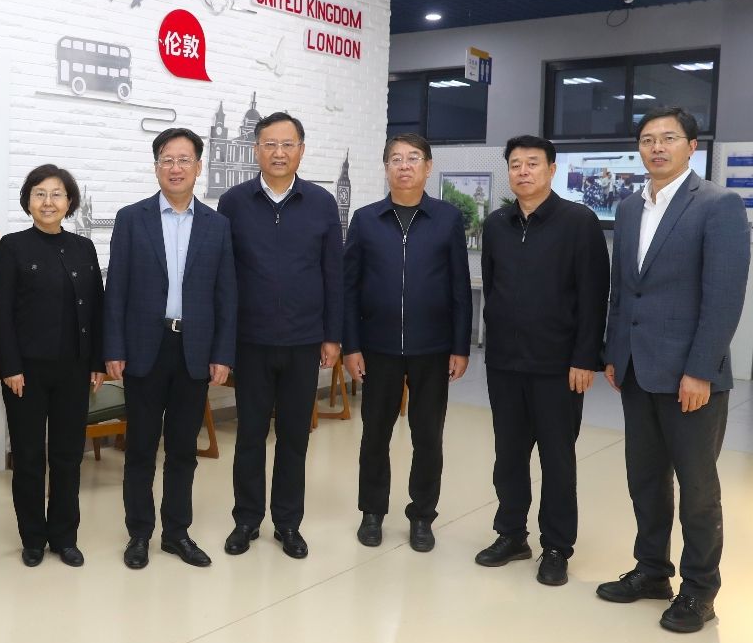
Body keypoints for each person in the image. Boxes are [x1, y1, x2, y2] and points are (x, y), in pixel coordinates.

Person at [598, 106, 750, 633]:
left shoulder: (717, 204)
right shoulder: (629, 207)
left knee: (698, 488)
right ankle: (652, 571)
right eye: (647, 139)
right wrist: (614, 352)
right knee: (645, 479)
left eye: (668, 138)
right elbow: (623, 289)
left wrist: (701, 370)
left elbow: (724, 296)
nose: (657, 147)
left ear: (691, 146)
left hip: (691, 376)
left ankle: (699, 591)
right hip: (636, 369)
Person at [474, 135, 609, 586]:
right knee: (508, 456)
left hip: (559, 367)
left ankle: (556, 547)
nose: (523, 171)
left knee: (557, 460)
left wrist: (585, 358)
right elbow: (492, 287)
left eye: (533, 163)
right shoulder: (497, 224)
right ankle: (512, 535)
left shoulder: (579, 222)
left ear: (552, 170)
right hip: (505, 364)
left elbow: (594, 295)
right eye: (515, 164)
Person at [104, 127, 237, 570]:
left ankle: (176, 533)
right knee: (141, 448)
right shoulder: (132, 218)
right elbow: (116, 288)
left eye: (184, 160)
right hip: (145, 347)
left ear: (198, 167)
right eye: (167, 159)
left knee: (183, 449)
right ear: (156, 166)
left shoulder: (217, 226)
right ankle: (139, 533)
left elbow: (226, 294)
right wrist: (113, 347)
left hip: (194, 350)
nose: (175, 168)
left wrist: (222, 354)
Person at [218, 112, 342, 560]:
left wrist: (332, 335)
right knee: (249, 435)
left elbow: (333, 273)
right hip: (250, 341)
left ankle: (288, 523)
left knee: (294, 437)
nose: (278, 152)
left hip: (304, 340)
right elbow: (223, 276)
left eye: (288, 144)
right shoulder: (233, 202)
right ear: (256, 149)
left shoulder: (322, 203)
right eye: (270, 144)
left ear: (301, 150)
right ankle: (246, 520)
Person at [343, 133, 471, 552]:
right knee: (374, 434)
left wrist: (460, 346)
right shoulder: (366, 219)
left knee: (428, 436)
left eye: (413, 158)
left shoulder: (447, 219)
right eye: (396, 159)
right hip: (377, 347)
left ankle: (422, 516)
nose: (404, 166)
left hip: (432, 347)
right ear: (386, 168)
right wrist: (351, 345)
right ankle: (372, 512)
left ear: (428, 167)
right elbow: (349, 287)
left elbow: (459, 287)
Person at [0, 164, 104, 568]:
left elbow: (97, 307)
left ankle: (64, 536)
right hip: (26, 372)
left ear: (69, 202)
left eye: (57, 194)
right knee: (28, 456)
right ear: (28, 201)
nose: (48, 202)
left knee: (68, 456)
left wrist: (97, 362)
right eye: (40, 193)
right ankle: (33, 538)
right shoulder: (12, 247)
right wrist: (10, 366)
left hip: (75, 368)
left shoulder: (83, 248)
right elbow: (0, 312)